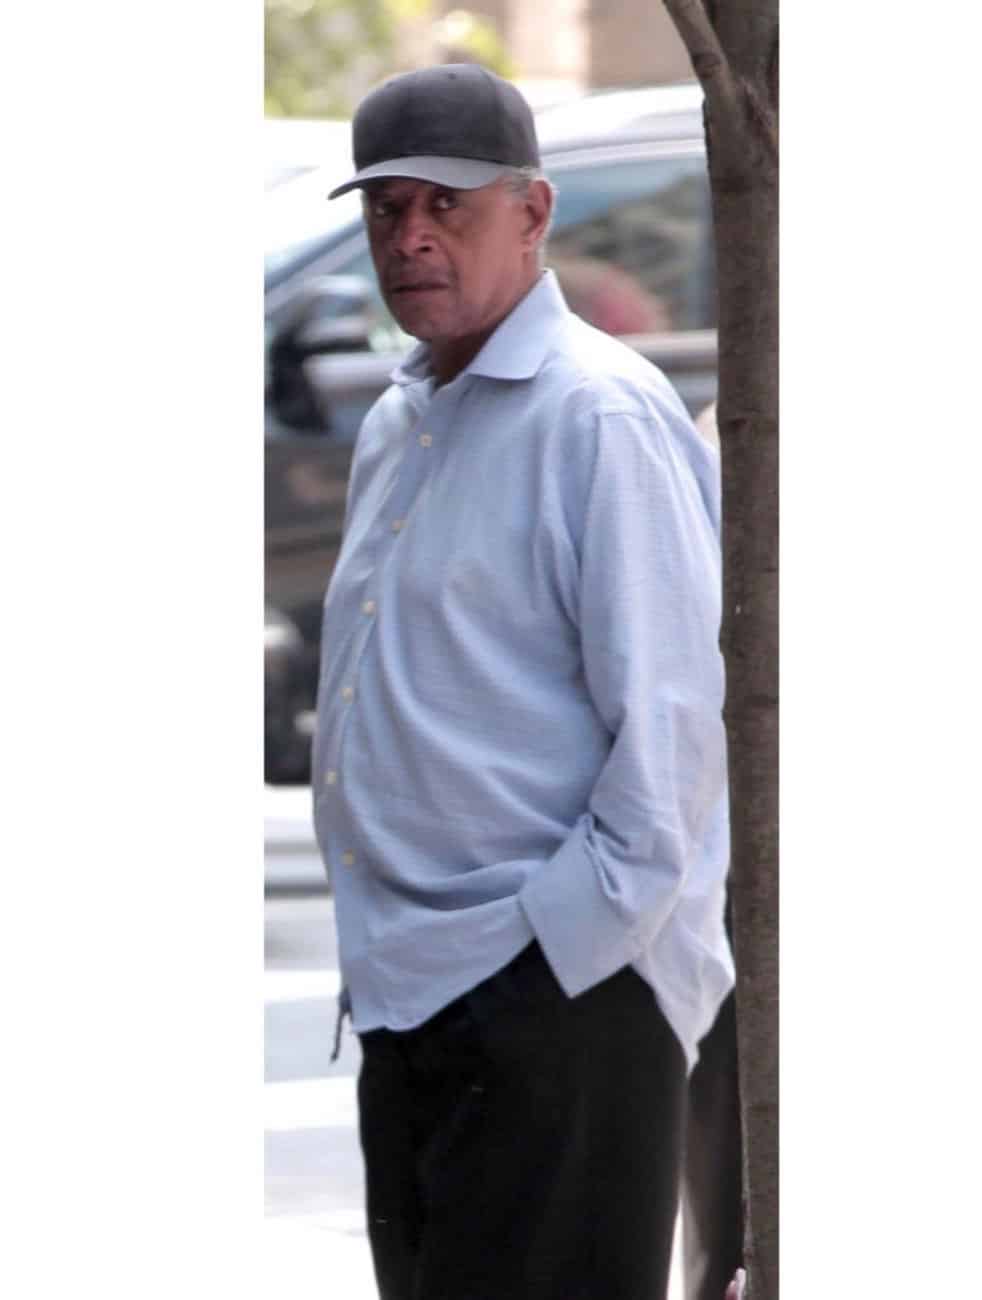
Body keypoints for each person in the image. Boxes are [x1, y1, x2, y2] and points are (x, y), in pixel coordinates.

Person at [312, 62, 733, 1300]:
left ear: (534, 211)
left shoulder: (599, 418)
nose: (410, 235)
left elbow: (670, 735)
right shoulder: (402, 419)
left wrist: (551, 960)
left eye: (446, 204)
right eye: (386, 207)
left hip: (555, 1000)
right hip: (414, 995)